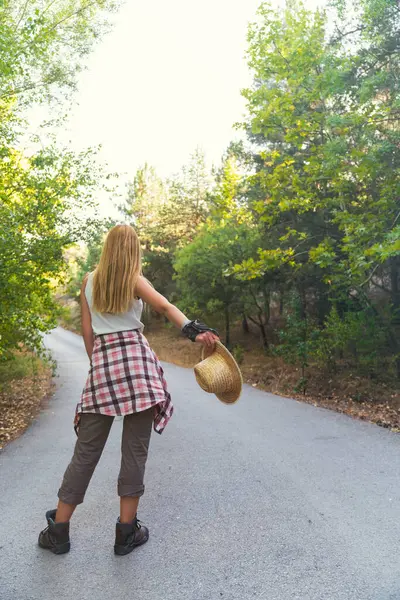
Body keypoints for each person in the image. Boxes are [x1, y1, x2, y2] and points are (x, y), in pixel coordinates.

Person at [38, 224, 219, 556]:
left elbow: (88, 333)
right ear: (133, 249)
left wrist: (100, 366)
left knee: (85, 453)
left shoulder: (89, 282)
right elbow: (165, 308)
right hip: (137, 366)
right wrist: (193, 331)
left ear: (107, 247)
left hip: (104, 366)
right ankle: (125, 533)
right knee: (134, 451)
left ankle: (59, 531)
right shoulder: (134, 280)